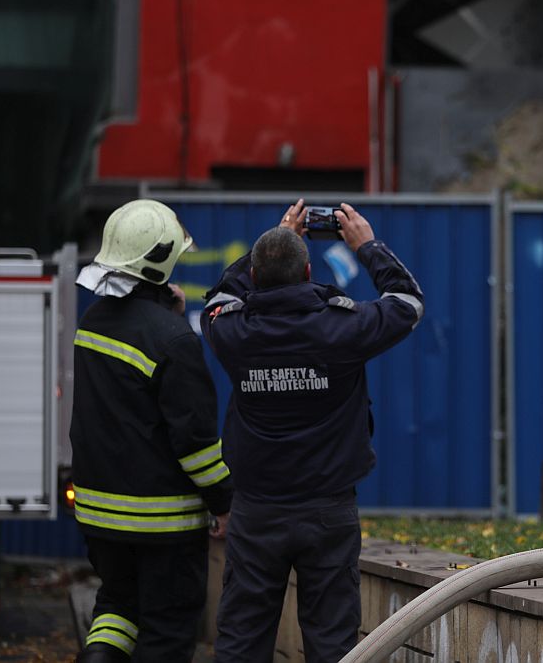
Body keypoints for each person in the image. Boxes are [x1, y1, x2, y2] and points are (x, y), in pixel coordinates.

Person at [201, 200, 424, 662]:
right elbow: (407, 302)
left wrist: (278, 238)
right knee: (332, 643)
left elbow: (220, 298)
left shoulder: (233, 333)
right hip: (328, 511)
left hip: (256, 510)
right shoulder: (343, 328)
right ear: (308, 272)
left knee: (241, 640)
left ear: (256, 277)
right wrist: (367, 246)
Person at [70, 199, 232, 663]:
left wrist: (167, 313)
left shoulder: (92, 323)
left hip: (100, 514)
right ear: (160, 262)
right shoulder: (175, 340)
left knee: (118, 608)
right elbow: (196, 445)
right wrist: (223, 502)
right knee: (167, 628)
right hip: (163, 522)